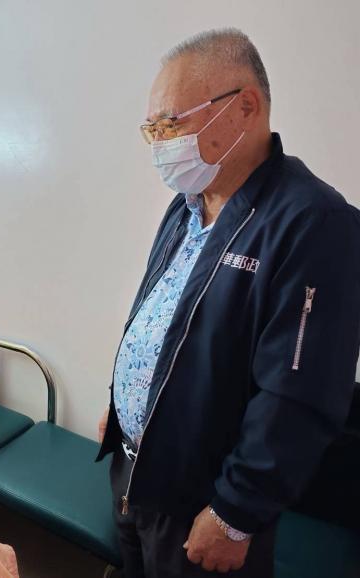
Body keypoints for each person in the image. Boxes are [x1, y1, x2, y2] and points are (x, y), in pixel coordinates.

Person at [96, 28, 360, 578]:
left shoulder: (314, 223)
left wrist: (236, 513)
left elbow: (300, 394)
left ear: (245, 107)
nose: (160, 143)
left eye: (172, 123)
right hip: (137, 470)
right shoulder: (188, 205)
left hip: (204, 503)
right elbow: (161, 318)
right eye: (152, 129)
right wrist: (124, 409)